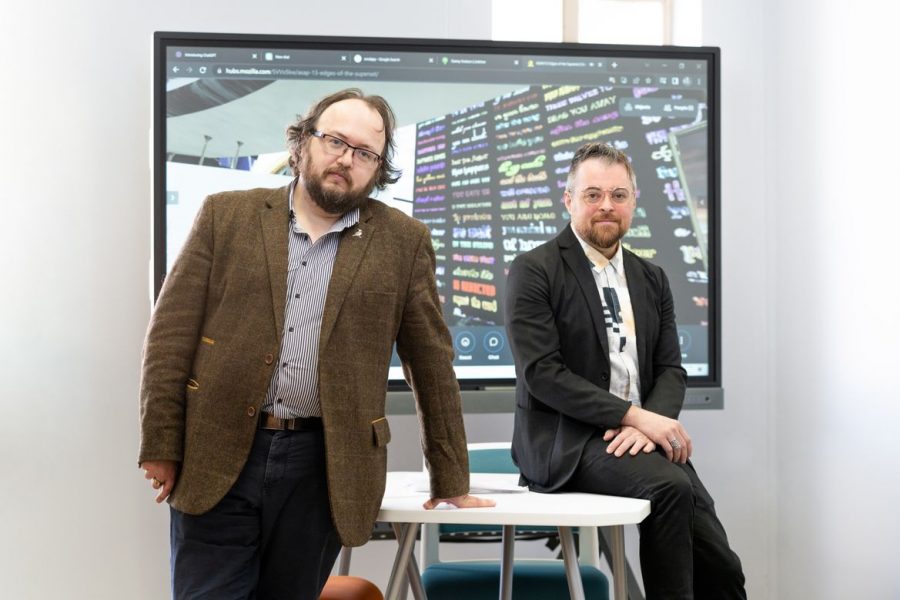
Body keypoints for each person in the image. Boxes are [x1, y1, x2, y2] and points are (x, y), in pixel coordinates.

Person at [139, 88, 493, 600]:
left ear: (378, 168)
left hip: (326, 465)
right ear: (303, 142)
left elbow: (431, 363)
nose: (345, 160)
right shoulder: (226, 215)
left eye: (365, 153)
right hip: (217, 451)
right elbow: (170, 334)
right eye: (334, 141)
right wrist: (161, 443)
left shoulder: (403, 241)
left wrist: (450, 477)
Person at [505, 142, 745, 599]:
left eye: (618, 195)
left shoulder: (651, 276)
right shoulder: (533, 269)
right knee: (672, 488)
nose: (606, 206)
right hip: (568, 441)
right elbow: (543, 374)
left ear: (634, 200)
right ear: (569, 200)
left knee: (722, 568)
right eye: (593, 194)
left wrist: (648, 424)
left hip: (643, 439)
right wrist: (633, 417)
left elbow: (671, 369)